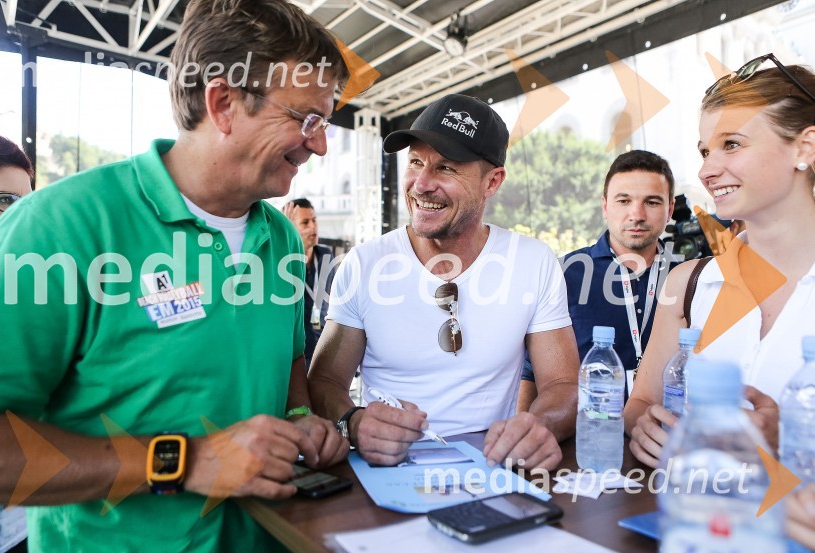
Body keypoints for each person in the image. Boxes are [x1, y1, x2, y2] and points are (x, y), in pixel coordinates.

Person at [0, 0, 350, 551]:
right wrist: (185, 460)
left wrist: (300, 415)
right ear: (223, 103)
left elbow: (289, 359)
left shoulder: (278, 237)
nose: (319, 143)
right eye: (306, 119)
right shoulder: (61, 227)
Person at [307, 93, 580, 472]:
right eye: (415, 162)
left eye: (446, 168)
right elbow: (324, 381)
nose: (421, 184)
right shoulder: (364, 264)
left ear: (492, 181)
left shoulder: (533, 261)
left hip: (493, 469)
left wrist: (540, 425)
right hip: (386, 472)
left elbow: (563, 384)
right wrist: (353, 421)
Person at [625, 54, 815, 468]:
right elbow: (640, 403)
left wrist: (790, 439)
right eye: (704, 151)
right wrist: (646, 428)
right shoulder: (687, 284)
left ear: (805, 147)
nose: (707, 171)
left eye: (732, 144)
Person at [517, 150, 681, 411]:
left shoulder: (688, 279)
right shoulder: (564, 273)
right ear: (605, 206)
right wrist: (523, 425)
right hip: (588, 427)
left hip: (665, 427)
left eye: (651, 202)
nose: (636, 214)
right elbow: (531, 371)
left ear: (670, 208)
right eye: (624, 201)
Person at [0, 134, 33, 553]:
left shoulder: (26, 291)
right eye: (4, 200)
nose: (19, 217)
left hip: (22, 523)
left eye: (26, 204)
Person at [282, 198, 336, 367]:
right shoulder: (282, 262)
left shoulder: (325, 256)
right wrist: (285, 241)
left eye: (314, 220)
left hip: (324, 350)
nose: (313, 226)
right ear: (290, 228)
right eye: (305, 222)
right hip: (296, 355)